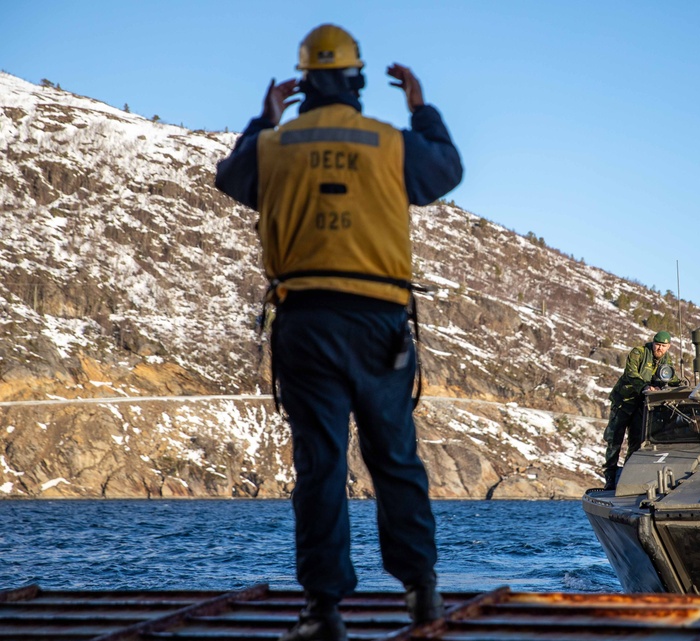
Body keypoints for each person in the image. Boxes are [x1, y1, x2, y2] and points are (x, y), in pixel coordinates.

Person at [215, 24, 462, 641]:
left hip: (306, 325)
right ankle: (422, 593)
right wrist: (421, 108)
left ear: (301, 85)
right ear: (356, 80)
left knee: (320, 464)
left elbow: (232, 178)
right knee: (394, 458)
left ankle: (323, 612)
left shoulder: (276, 146)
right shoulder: (389, 144)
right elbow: (447, 172)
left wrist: (263, 121)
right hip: (379, 326)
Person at [601, 331, 674, 491]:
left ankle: (627, 478)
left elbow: (669, 376)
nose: (659, 348)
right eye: (657, 345)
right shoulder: (639, 353)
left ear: (668, 347)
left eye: (663, 346)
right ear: (653, 343)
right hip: (624, 401)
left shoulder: (667, 360)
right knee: (614, 439)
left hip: (641, 406)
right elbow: (631, 373)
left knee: (636, 442)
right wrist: (644, 386)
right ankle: (610, 477)